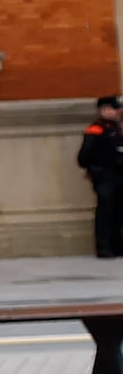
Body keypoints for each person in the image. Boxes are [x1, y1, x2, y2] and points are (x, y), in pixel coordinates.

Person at [84, 93, 123, 258]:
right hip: (105, 177)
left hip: (119, 175)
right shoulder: (96, 129)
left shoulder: (116, 128)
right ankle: (103, 247)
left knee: (118, 212)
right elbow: (83, 156)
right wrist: (97, 171)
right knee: (105, 212)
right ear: (105, 110)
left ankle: (117, 246)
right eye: (116, 109)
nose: (119, 112)